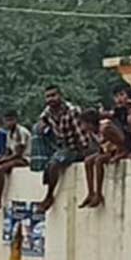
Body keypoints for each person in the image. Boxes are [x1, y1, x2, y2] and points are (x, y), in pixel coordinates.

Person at [36, 85, 95, 213]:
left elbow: (82, 135)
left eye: (53, 95)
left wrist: (85, 151)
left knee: (53, 164)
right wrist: (43, 124)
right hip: (62, 146)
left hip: (77, 148)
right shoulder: (48, 112)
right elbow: (42, 119)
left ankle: (49, 196)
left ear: (60, 96)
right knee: (49, 164)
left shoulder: (72, 111)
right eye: (48, 96)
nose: (51, 99)